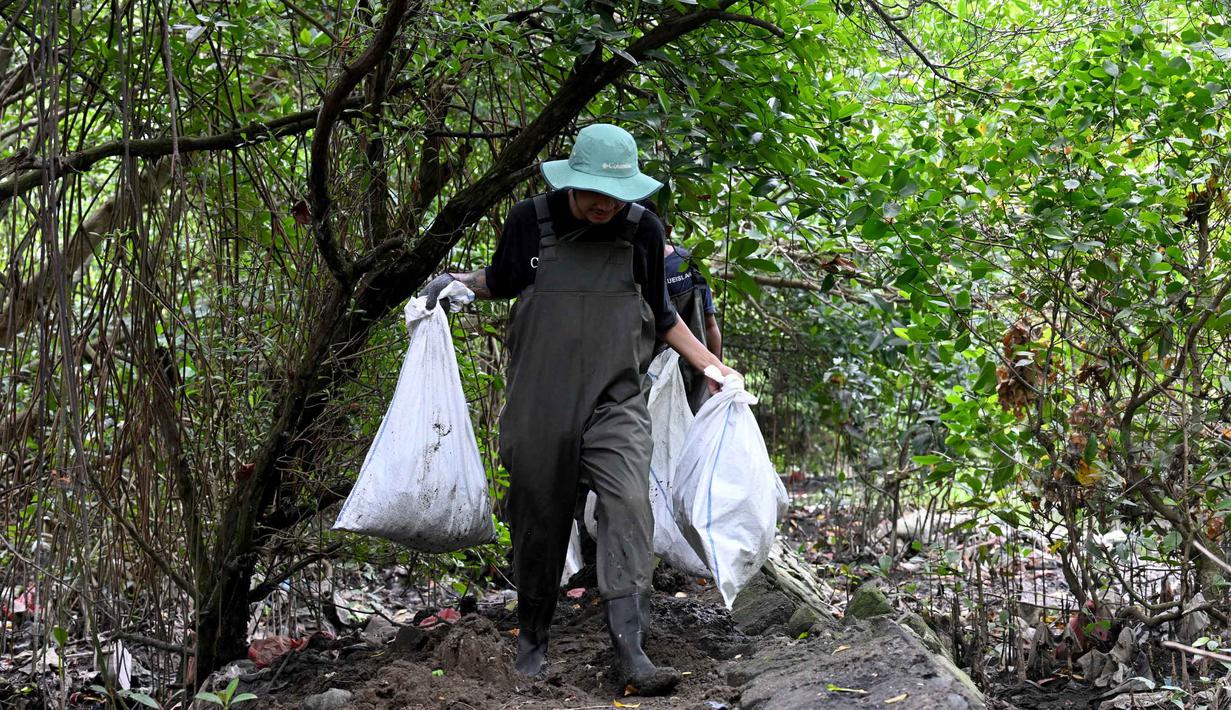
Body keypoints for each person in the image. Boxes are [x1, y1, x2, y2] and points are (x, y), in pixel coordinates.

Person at [420, 124, 738, 695]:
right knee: (538, 518)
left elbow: (663, 317)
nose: (603, 204)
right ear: (571, 180)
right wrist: (455, 282)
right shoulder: (530, 221)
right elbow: (502, 280)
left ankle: (631, 651)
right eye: (593, 191)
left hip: (616, 400)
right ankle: (532, 643)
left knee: (628, 504)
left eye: (614, 195)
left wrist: (713, 369)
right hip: (539, 404)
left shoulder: (642, 231)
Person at [641, 199, 723, 414]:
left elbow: (709, 325)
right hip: (673, 373)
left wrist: (716, 369)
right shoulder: (686, 261)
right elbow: (710, 326)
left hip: (681, 370)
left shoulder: (684, 264)